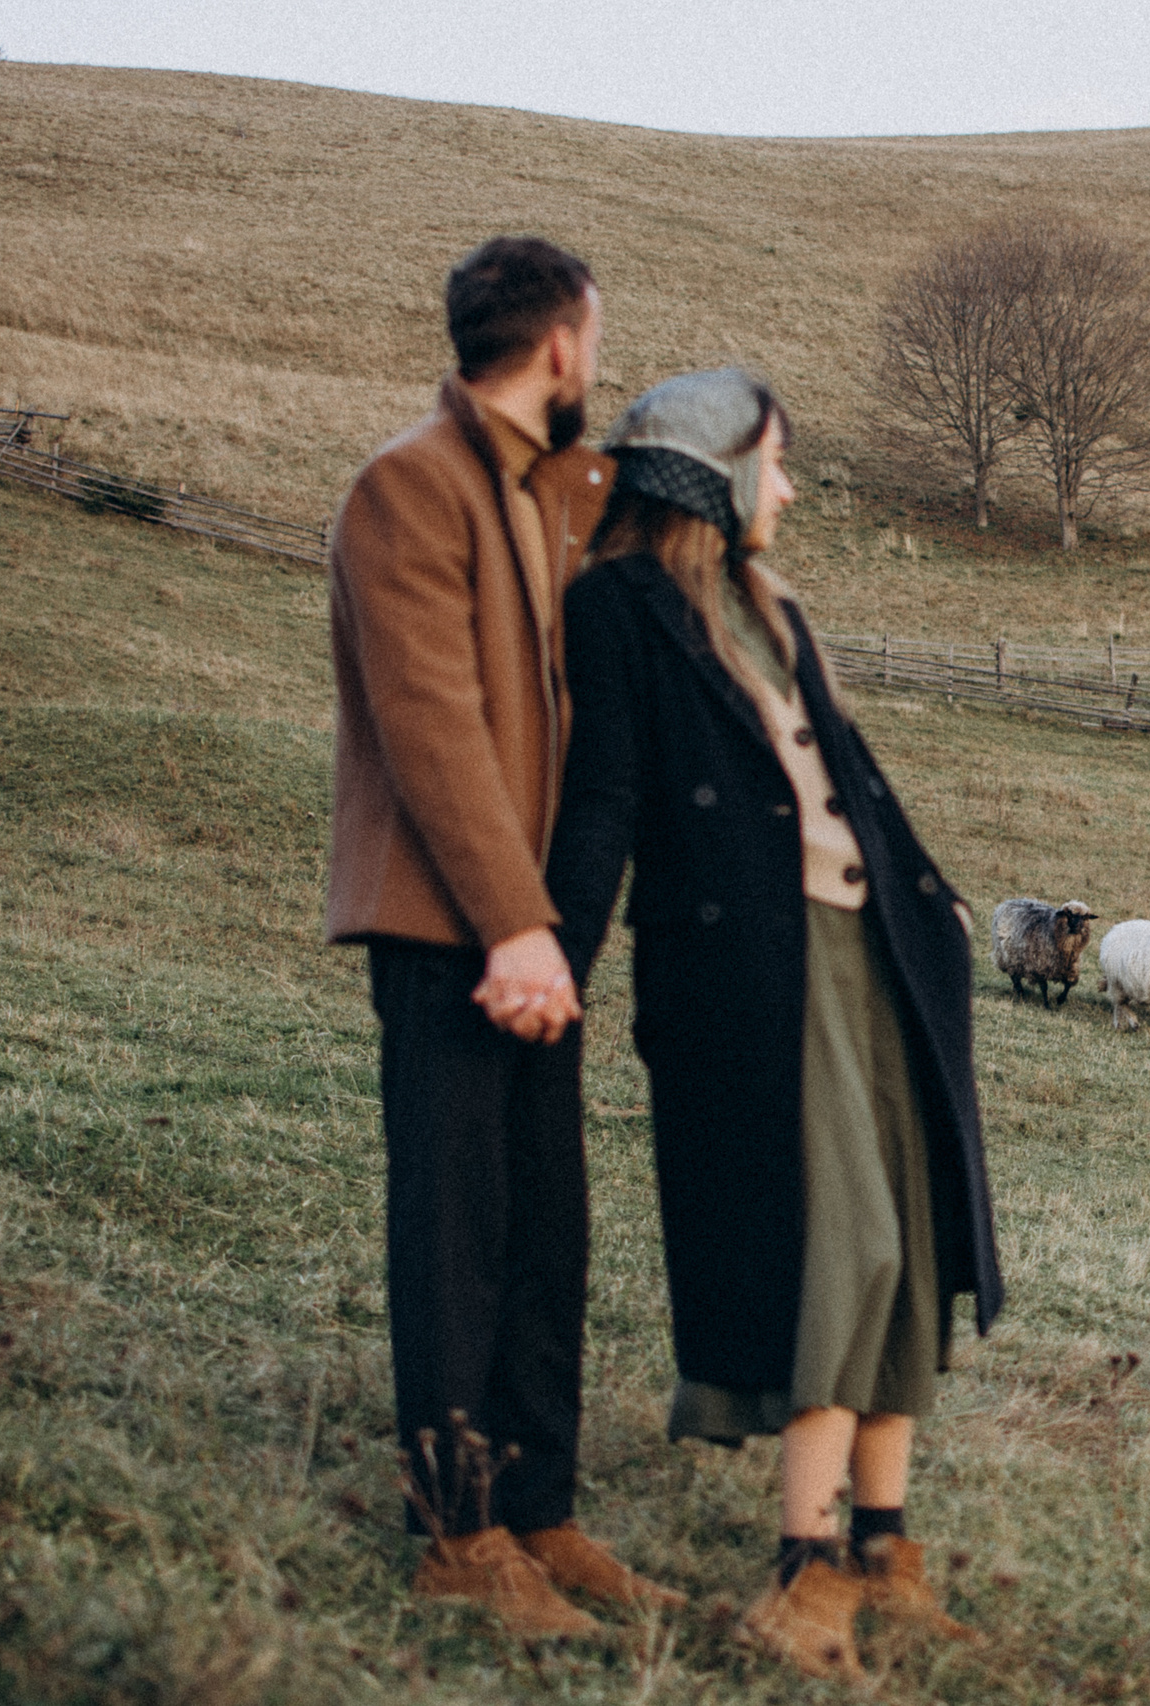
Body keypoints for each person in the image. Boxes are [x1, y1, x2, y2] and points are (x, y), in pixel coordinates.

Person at [545, 368, 1004, 1684]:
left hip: (879, 954)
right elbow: (603, 801)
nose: (790, 490)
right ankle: (801, 1577)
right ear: (713, 473)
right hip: (757, 967)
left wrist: (936, 898)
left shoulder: (769, 605)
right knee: (839, 1251)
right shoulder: (617, 606)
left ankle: (884, 1551)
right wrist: (557, 956)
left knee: (910, 1247)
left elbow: (848, 775)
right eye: (776, 463)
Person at [326, 235, 678, 1639]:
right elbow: (432, 724)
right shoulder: (406, 487)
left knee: (547, 1225)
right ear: (561, 344)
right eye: (596, 336)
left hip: (538, 935)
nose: (599, 361)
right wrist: (515, 927)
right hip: (449, 925)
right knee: (455, 1226)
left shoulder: (562, 495)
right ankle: (459, 1535)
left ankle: (541, 1510)